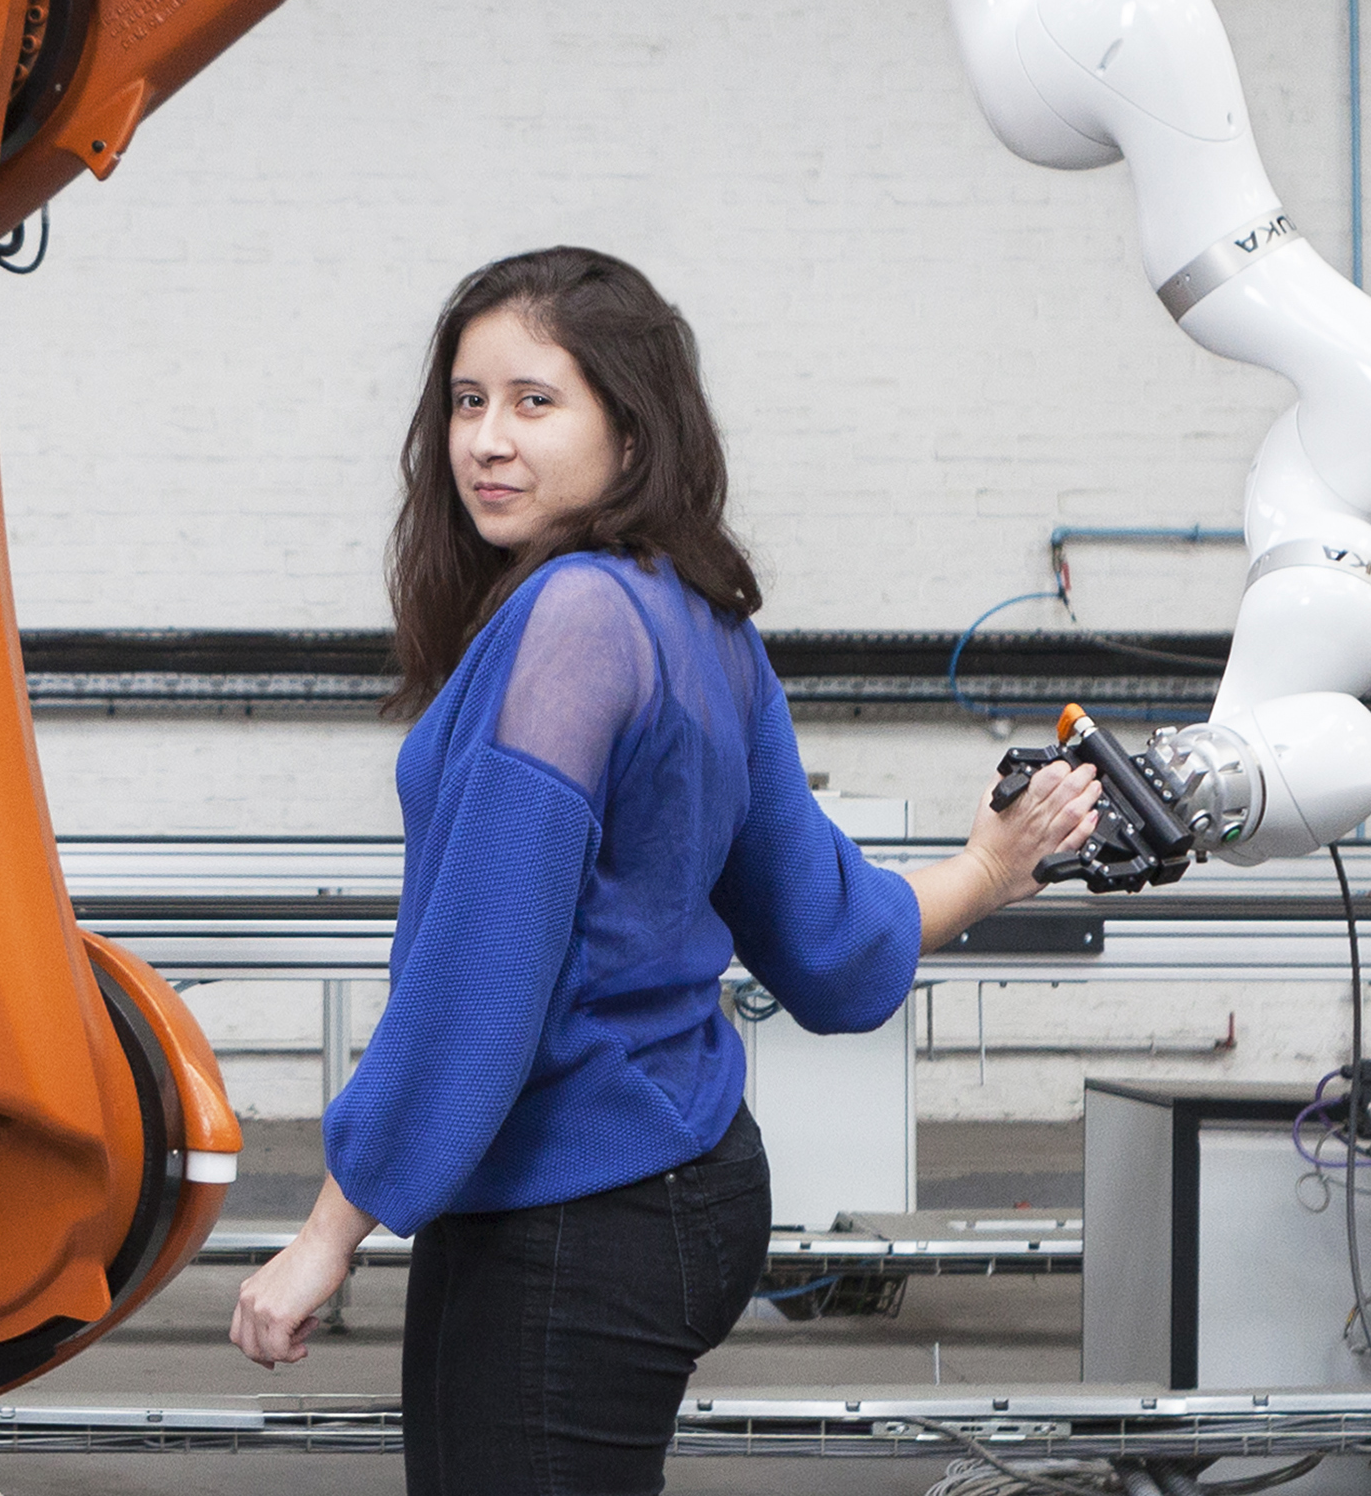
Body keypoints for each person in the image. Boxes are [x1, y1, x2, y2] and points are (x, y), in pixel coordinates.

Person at [226, 245, 1106, 1494]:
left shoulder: (575, 622)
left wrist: (329, 1233)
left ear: (630, 431)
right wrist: (982, 867)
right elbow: (825, 937)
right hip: (681, 1183)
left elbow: (482, 975)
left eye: (536, 402)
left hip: (572, 1205)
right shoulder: (702, 621)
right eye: (467, 402)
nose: (487, 439)